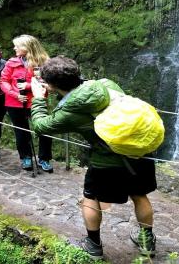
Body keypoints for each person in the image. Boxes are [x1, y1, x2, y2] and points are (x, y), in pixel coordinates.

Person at [29, 56, 157, 259]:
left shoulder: (69, 112)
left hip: (106, 161)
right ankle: (146, 242)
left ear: (51, 85)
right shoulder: (106, 84)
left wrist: (38, 98)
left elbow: (40, 127)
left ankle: (94, 246)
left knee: (90, 198)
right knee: (140, 195)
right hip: (138, 151)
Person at [0, 35, 53, 172]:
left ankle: (44, 158)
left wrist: (28, 86)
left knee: (44, 129)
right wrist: (15, 94)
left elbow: (49, 83)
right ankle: (26, 157)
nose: (14, 48)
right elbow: (3, 81)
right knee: (20, 131)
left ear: (27, 47)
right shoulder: (12, 62)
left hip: (36, 100)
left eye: (17, 46)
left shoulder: (44, 62)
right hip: (14, 102)